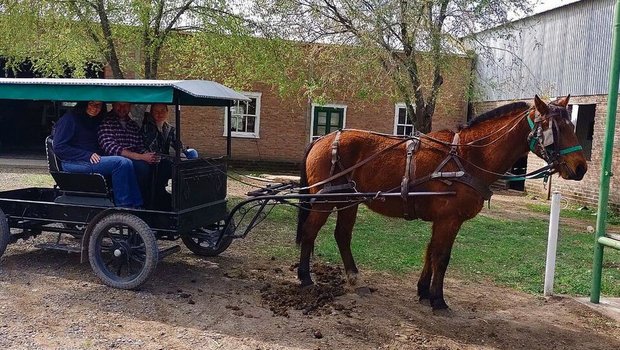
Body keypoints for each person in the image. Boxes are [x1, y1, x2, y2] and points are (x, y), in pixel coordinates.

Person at [52, 101, 143, 208]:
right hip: (72, 162)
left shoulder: (95, 120)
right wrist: (86, 155)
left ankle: (138, 205)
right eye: (91, 104)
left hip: (90, 160)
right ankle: (124, 206)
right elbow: (58, 147)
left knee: (128, 162)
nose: (95, 108)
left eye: (99, 105)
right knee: (121, 162)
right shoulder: (69, 119)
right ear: (84, 104)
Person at [98, 102, 159, 206]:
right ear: (113, 105)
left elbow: (139, 146)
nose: (122, 108)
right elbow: (111, 148)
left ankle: (156, 203)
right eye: (119, 105)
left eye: (125, 105)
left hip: (133, 159)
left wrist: (148, 155)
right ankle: (131, 205)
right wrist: (140, 157)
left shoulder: (132, 125)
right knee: (141, 167)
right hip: (112, 162)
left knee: (160, 166)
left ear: (130, 106)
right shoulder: (106, 121)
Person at [141, 103, 177, 209]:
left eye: (162, 111)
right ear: (151, 113)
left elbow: (179, 146)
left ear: (167, 112)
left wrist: (184, 153)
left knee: (192, 154)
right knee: (166, 164)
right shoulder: (147, 128)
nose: (159, 114)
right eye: (156, 111)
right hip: (152, 159)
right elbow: (154, 150)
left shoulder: (169, 128)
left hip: (166, 159)